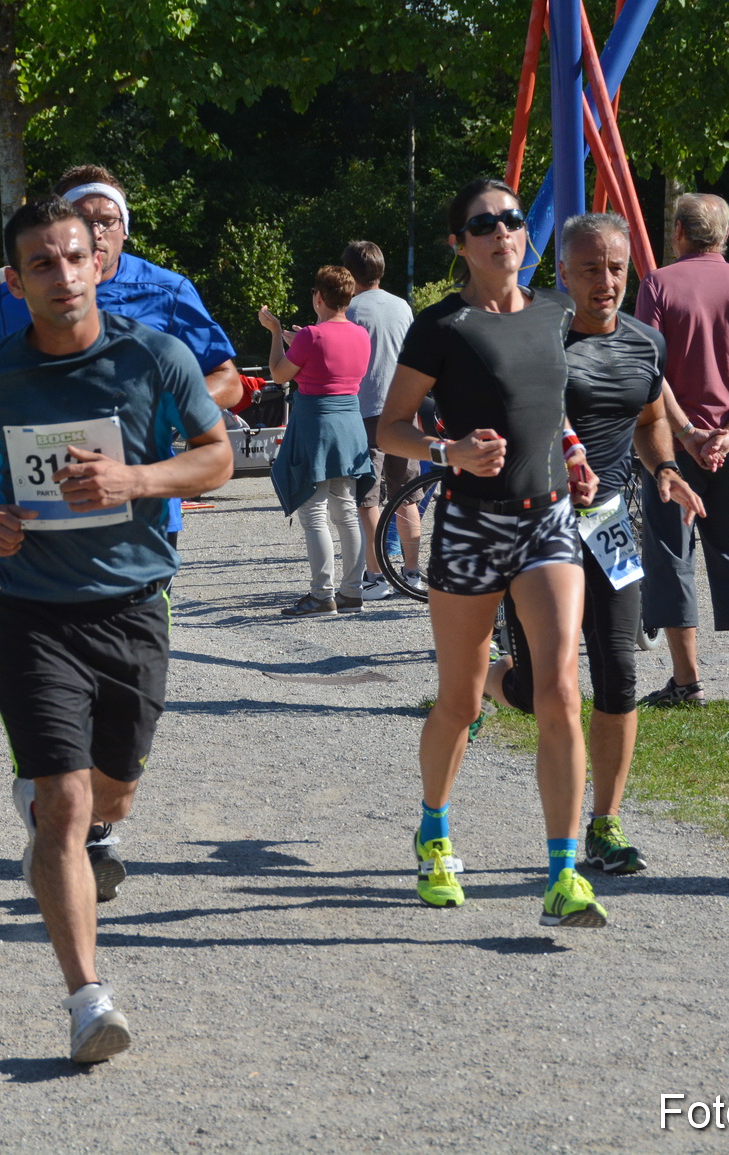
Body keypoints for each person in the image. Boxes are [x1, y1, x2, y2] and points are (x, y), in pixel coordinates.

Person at [0, 196, 232, 1063]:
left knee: (112, 797)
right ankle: (88, 999)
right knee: (61, 804)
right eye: (42, 265)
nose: (62, 275)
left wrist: (136, 480)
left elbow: (219, 456)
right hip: (34, 612)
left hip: (133, 605)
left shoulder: (154, 355)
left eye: (73, 257)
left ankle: (82, 821)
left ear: (100, 261)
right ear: (16, 283)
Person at [377, 177, 605, 927]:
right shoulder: (442, 326)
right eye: (485, 225)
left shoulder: (553, 311)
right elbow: (391, 427)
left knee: (561, 688)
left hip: (548, 522)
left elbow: (551, 398)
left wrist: (571, 450)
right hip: (473, 527)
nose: (504, 232)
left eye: (512, 220)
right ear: (459, 244)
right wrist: (450, 451)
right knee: (462, 698)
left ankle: (564, 872)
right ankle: (434, 829)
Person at [481, 212, 707, 876]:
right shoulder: (536, 338)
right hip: (537, 521)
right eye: (590, 269)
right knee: (539, 688)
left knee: (621, 671)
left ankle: (605, 823)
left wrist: (665, 468)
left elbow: (647, 419)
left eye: (616, 268)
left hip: (608, 521)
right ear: (563, 274)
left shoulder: (645, 343)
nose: (606, 282)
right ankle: (486, 682)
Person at [0, 166, 245, 553]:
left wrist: (157, 407)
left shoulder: (166, 292)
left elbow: (228, 381)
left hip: (141, 512)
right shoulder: (12, 298)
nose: (97, 231)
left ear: (125, 226)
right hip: (40, 510)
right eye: (82, 219)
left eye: (108, 220)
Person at [632, 193, 729, 707]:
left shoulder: (657, 285)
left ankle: (687, 681)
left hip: (672, 453)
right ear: (724, 235)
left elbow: (648, 369)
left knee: (671, 555)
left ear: (678, 231)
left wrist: (687, 432)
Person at [260, 265, 373, 616]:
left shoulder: (310, 335)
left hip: (316, 425)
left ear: (319, 297)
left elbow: (279, 375)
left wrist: (276, 332)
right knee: (347, 512)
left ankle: (322, 594)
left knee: (314, 513)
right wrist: (302, 346)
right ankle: (352, 591)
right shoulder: (360, 334)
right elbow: (332, 368)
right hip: (350, 424)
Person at [342, 240, 420, 599]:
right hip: (404, 407)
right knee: (407, 495)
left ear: (348, 273)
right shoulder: (402, 306)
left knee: (367, 499)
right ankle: (413, 572)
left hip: (365, 409)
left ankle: (375, 577)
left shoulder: (349, 309)